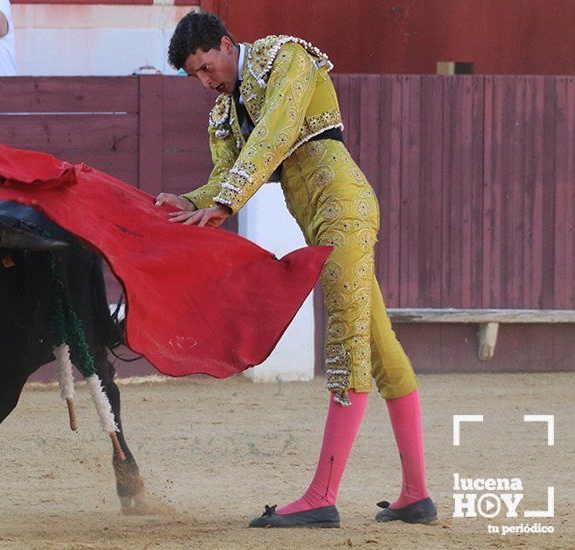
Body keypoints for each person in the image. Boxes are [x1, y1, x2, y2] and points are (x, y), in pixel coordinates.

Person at [157, 12, 435, 528]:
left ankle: (322, 496)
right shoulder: (225, 112)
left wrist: (225, 200)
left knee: (346, 344)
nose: (206, 80)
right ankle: (416, 494)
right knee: (378, 346)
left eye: (206, 66)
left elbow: (278, 131)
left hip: (343, 206)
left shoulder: (286, 56)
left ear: (225, 43)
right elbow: (224, 175)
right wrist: (190, 201)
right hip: (318, 220)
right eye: (195, 75)